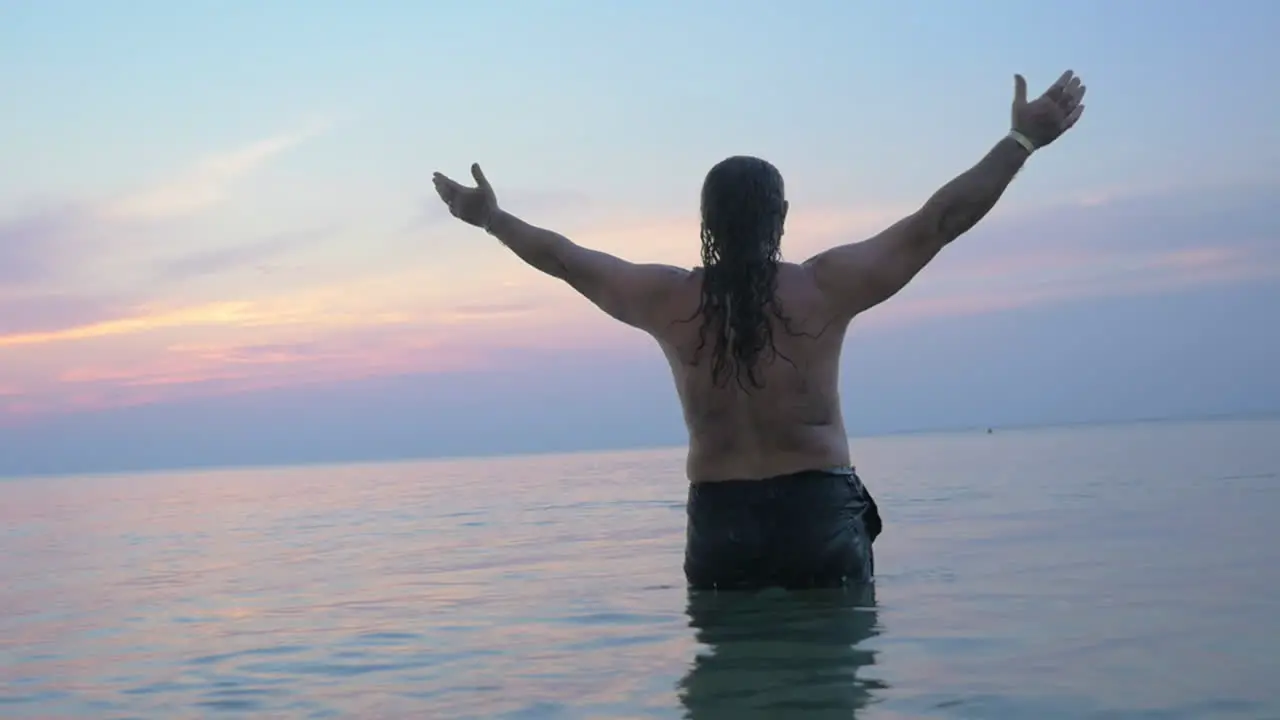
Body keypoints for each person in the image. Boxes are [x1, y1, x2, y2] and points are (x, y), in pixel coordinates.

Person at [433, 70, 1087, 590]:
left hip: (722, 526)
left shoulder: (668, 297)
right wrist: (1021, 142)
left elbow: (564, 257)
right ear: (782, 215)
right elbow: (940, 220)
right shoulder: (825, 286)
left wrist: (492, 218)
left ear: (706, 220)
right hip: (817, 518)